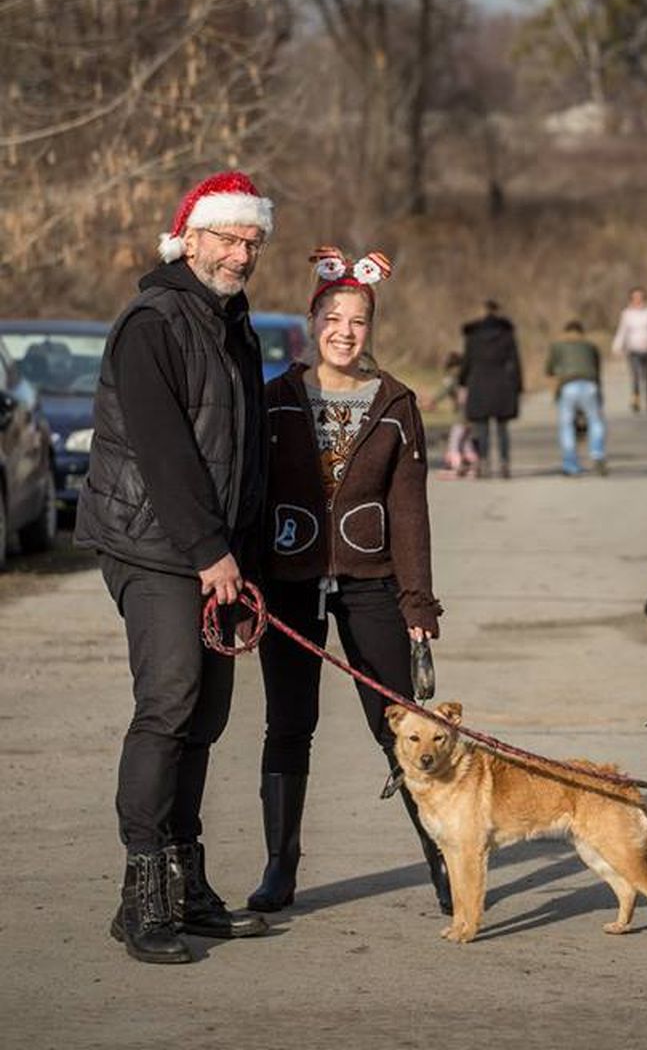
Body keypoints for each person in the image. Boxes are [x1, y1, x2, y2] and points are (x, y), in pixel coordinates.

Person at [74, 171, 274, 965]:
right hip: (153, 545)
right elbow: (165, 451)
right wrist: (208, 552)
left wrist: (243, 555)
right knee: (168, 706)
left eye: (251, 243)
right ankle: (143, 898)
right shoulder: (152, 321)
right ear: (190, 238)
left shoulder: (231, 321)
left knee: (207, 717)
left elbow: (243, 451)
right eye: (227, 239)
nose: (240, 254)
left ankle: (187, 887)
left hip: (214, 553)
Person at [247, 246, 450, 914]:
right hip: (289, 578)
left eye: (358, 320)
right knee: (289, 721)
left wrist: (416, 599)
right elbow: (252, 497)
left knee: (398, 724)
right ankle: (281, 865)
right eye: (333, 316)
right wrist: (246, 584)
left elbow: (409, 507)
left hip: (371, 580)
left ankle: (444, 857)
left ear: (371, 328)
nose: (345, 330)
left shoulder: (396, 403)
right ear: (313, 321)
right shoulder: (274, 399)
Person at [459, 299, 523, 478]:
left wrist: (462, 382)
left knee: (481, 428)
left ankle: (483, 462)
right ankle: (504, 463)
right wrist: (518, 386)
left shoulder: (473, 336)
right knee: (502, 429)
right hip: (503, 385)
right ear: (498, 311)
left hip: (479, 384)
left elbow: (467, 362)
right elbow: (515, 362)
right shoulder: (507, 334)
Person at [545, 319, 607, 476]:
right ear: (582, 332)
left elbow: (549, 370)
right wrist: (600, 395)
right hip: (590, 385)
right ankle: (597, 454)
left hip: (568, 386)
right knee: (595, 421)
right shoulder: (591, 346)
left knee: (566, 425)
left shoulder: (557, 346)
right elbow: (597, 370)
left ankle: (570, 464)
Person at [426, 351, 479, 479]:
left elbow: (444, 391)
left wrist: (432, 401)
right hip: (473, 415)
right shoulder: (469, 377)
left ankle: (456, 467)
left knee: (454, 442)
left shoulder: (452, 377)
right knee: (466, 443)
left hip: (461, 417)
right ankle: (474, 466)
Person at [611, 286, 647, 412]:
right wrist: (617, 346)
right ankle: (635, 399)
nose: (637, 300)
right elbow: (622, 331)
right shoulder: (626, 313)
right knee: (635, 375)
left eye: (640, 297)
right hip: (633, 349)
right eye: (635, 297)